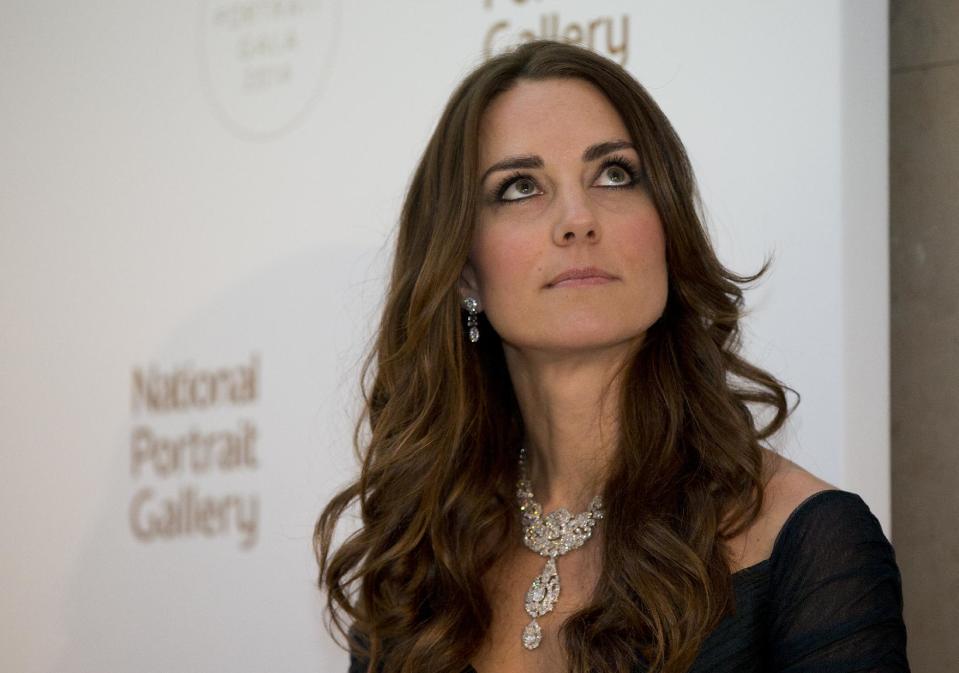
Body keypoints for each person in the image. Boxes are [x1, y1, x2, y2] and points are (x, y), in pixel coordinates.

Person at [314, 40, 909, 673]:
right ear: (463, 271)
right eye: (520, 187)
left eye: (615, 174)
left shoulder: (809, 544)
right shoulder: (421, 565)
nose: (578, 220)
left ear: (668, 230)